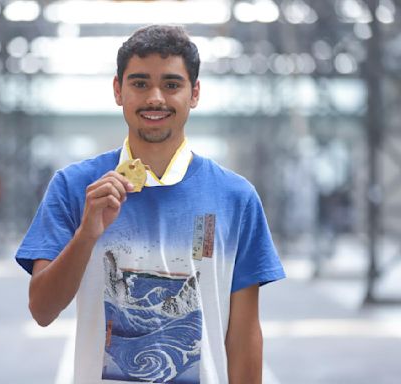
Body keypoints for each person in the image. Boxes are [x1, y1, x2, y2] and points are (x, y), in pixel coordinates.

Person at [16, 25, 285, 384]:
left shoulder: (236, 197)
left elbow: (243, 335)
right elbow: (42, 310)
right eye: (140, 83)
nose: (155, 98)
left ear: (195, 93)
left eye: (172, 84)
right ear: (118, 90)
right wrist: (86, 234)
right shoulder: (74, 186)